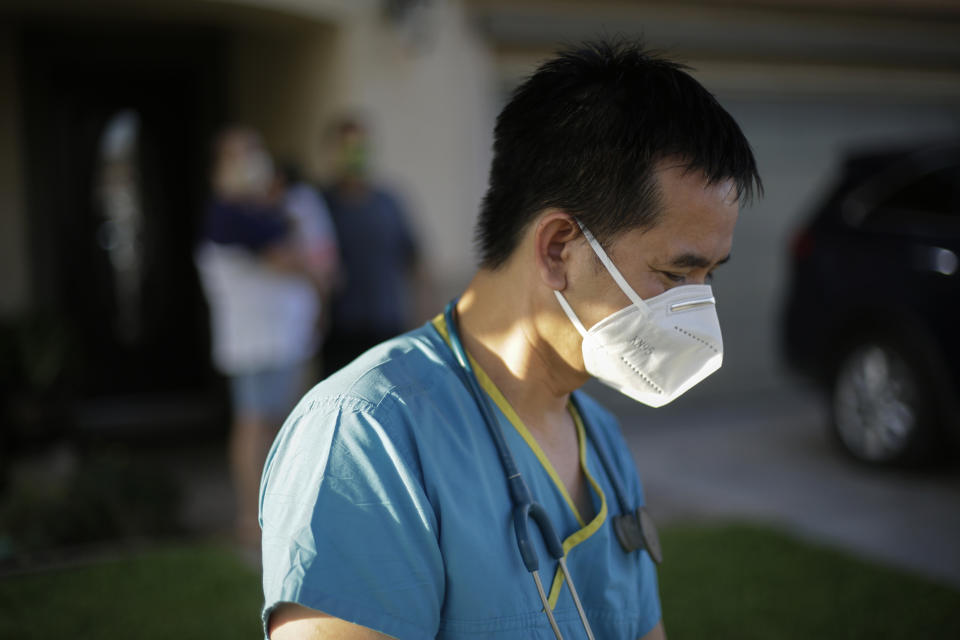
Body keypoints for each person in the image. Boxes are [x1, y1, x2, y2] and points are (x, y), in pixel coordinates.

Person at [260, 40, 761, 640]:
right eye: (676, 276)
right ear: (558, 249)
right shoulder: (367, 438)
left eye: (710, 277)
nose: (696, 310)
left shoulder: (598, 439)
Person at [194, 128, 329, 550]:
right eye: (240, 156)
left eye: (255, 152)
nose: (252, 162)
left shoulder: (258, 209)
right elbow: (288, 259)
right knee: (256, 423)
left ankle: (276, 511)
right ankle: (251, 520)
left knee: (277, 425)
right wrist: (314, 277)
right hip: (257, 342)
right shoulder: (229, 214)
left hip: (280, 340)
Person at [321, 117, 422, 375]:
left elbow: (414, 258)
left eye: (360, 146)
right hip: (339, 329)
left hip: (386, 324)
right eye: (346, 147)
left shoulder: (388, 202)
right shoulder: (321, 204)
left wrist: (423, 317)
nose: (354, 154)